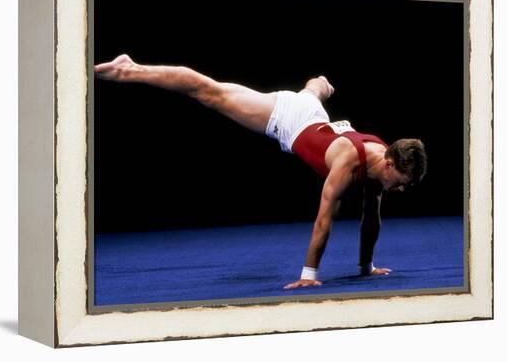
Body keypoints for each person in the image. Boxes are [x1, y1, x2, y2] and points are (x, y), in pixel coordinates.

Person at [94, 54, 427, 290]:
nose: (400, 190)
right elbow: (324, 219)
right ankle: (129, 69)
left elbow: (371, 218)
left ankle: (319, 85)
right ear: (389, 164)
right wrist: (309, 274)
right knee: (210, 92)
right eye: (401, 183)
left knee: (313, 92)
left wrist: (366, 267)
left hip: (314, 115)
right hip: (287, 118)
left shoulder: (384, 156)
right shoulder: (349, 162)